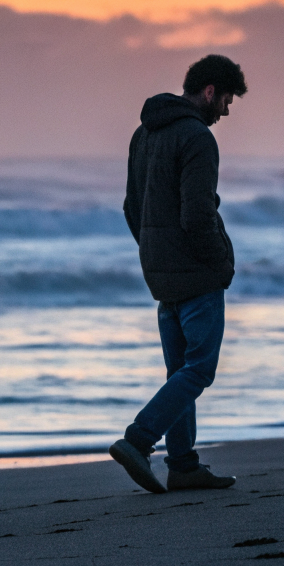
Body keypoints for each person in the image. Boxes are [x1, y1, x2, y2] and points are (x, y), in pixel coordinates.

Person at [110, 54, 246, 494]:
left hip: (161, 275)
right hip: (196, 276)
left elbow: (133, 208)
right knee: (199, 370)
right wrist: (221, 264)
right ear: (209, 92)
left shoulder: (143, 134)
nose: (225, 111)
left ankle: (184, 465)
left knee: (180, 373)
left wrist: (154, 253)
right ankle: (138, 440)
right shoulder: (197, 138)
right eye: (225, 100)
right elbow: (198, 215)